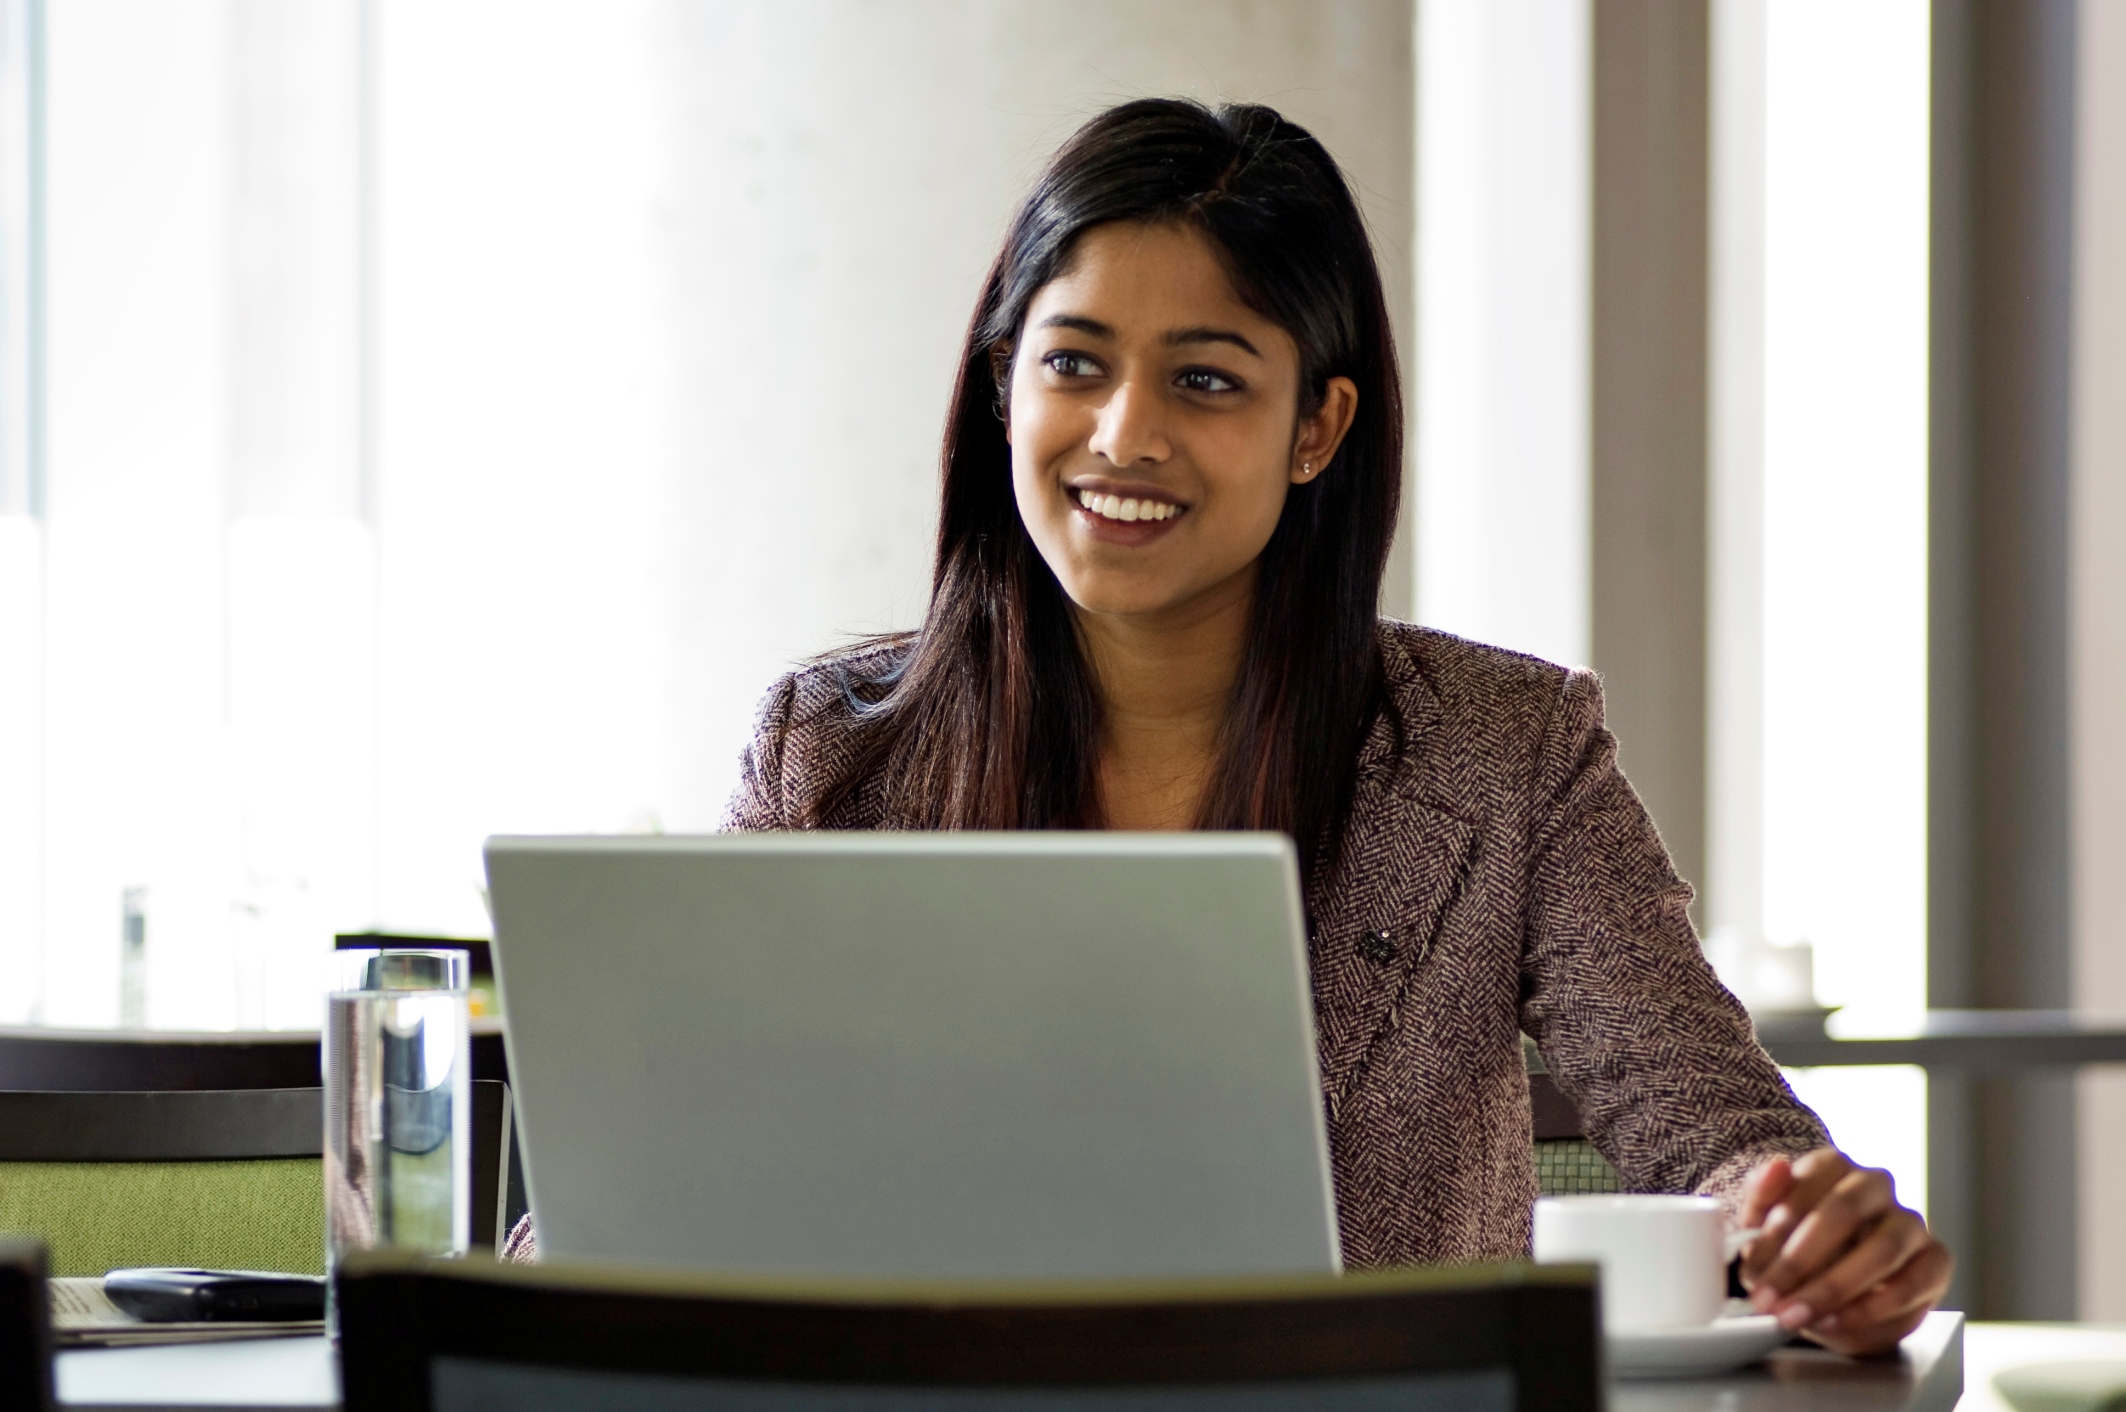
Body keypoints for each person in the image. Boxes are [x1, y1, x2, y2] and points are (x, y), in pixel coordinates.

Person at [513, 97, 1952, 1355]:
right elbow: (667, 1183)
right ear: (1003, 384)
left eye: (1204, 380)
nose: (1123, 435)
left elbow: (1700, 1116)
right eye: (1073, 363)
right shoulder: (829, 752)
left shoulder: (1507, 749)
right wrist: (560, 1239)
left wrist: (1801, 1226)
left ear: (1315, 429)